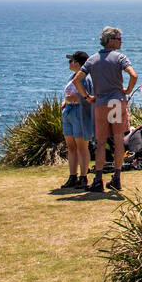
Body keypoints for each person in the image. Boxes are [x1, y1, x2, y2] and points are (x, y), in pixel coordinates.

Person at [74, 26, 137, 192]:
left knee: (100, 142)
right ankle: (116, 177)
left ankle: (98, 179)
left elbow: (77, 80)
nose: (121, 41)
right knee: (118, 141)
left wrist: (87, 97)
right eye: (118, 38)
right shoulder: (120, 58)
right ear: (110, 40)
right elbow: (133, 75)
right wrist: (128, 90)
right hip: (116, 102)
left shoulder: (92, 60)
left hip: (100, 103)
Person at [59, 51, 95, 190]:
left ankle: (83, 177)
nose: (69, 63)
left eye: (71, 61)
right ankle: (72, 176)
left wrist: (76, 99)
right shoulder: (72, 77)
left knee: (81, 146)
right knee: (71, 146)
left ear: (78, 63)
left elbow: (89, 97)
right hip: (69, 111)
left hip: (79, 113)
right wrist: (65, 102)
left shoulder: (85, 79)